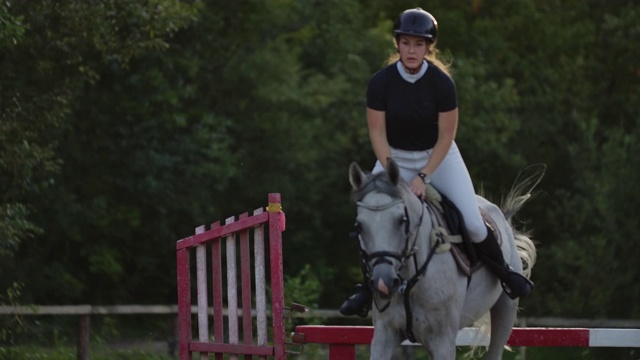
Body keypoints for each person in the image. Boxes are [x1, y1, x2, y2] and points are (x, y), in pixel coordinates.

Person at [339, 7, 534, 318]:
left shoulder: (442, 84)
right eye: (406, 43)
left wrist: (424, 177)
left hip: (439, 157)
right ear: (397, 44)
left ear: (429, 47)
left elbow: (446, 137)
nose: (411, 50)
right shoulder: (381, 83)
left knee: (472, 221)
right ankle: (366, 289)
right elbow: (376, 133)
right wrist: (392, 173)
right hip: (393, 158)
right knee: (372, 214)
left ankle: (507, 275)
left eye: (418, 44)